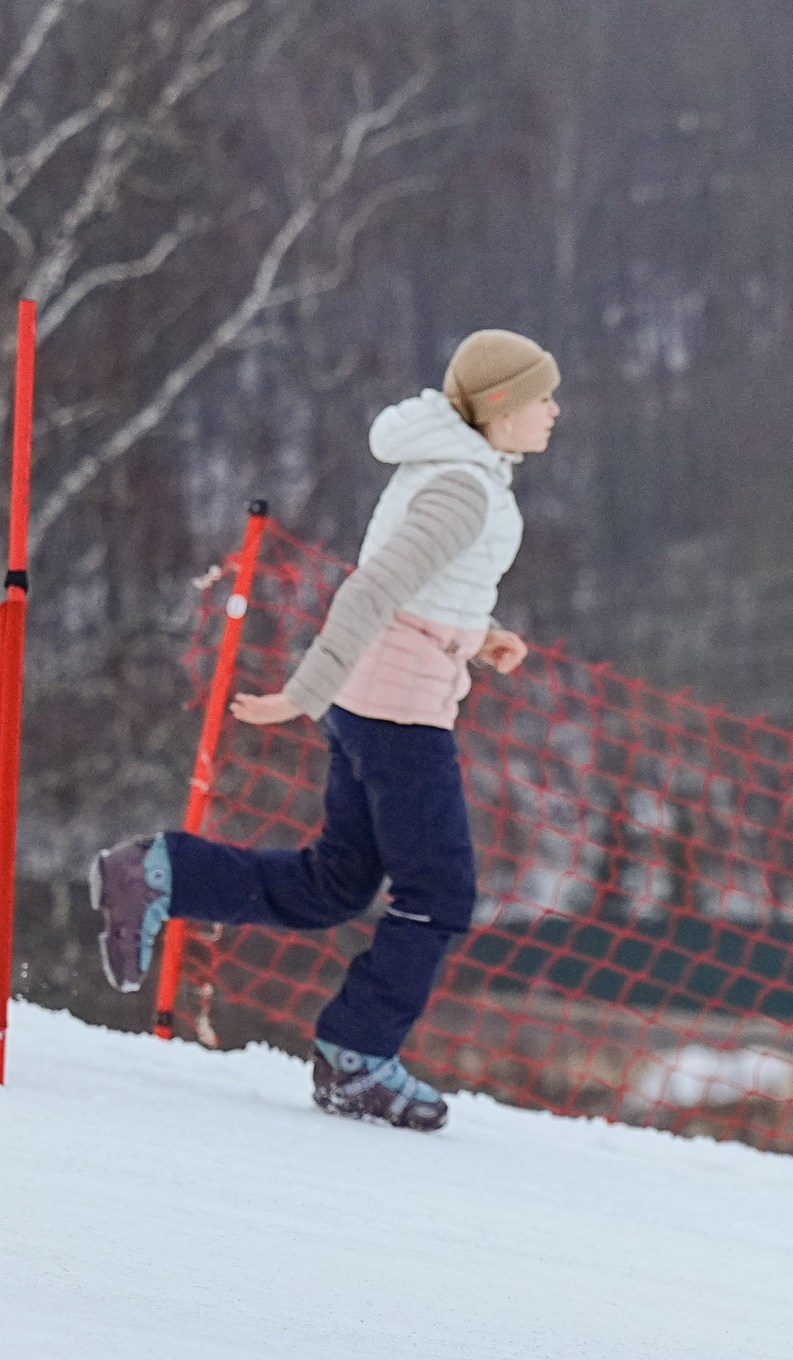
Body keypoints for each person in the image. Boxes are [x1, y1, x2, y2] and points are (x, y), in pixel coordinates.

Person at [91, 330, 563, 1133]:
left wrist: (475, 633)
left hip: (380, 700)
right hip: (396, 714)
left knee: (336, 882)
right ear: (500, 407)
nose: (555, 411)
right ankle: (357, 1055)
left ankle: (158, 871)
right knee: (439, 894)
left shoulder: (455, 467)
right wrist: (305, 692)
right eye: (544, 397)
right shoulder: (464, 488)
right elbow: (372, 588)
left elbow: (420, 582)